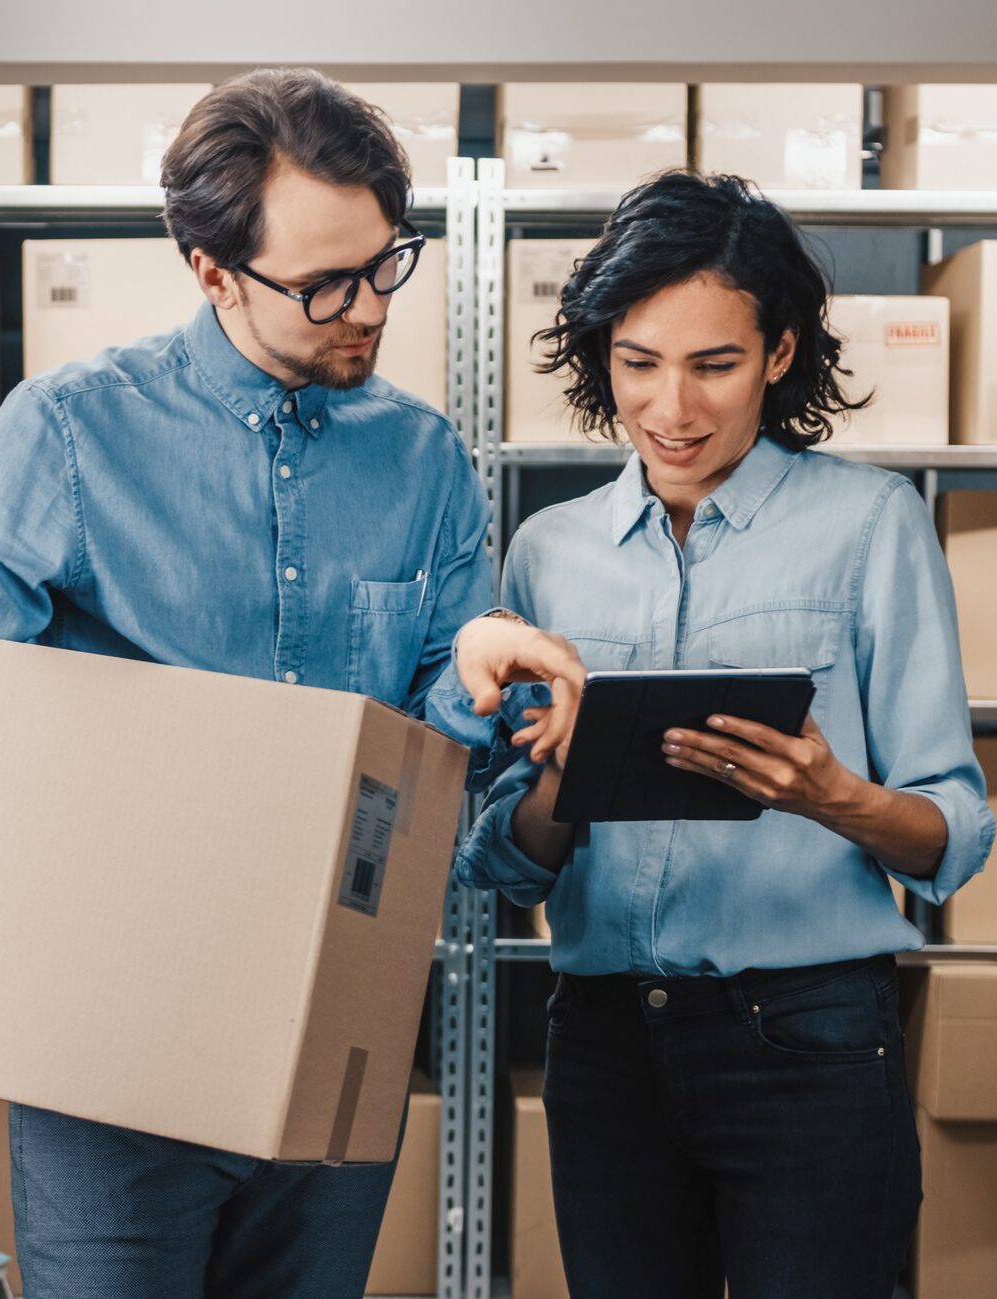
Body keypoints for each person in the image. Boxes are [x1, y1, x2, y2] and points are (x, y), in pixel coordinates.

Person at [0, 68, 584, 1298]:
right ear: (210, 270)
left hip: (335, 1038)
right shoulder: (67, 434)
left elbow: (436, 770)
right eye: (322, 284)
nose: (367, 308)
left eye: (385, 264)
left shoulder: (424, 462)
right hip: (112, 1056)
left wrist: (473, 687)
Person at [457, 171, 995, 1299]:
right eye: (639, 363)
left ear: (782, 353)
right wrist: (558, 774)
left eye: (715, 364)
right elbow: (506, 864)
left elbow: (951, 832)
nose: (672, 410)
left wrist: (826, 794)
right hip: (604, 1044)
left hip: (807, 1039)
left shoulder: (869, 525)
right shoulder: (548, 552)